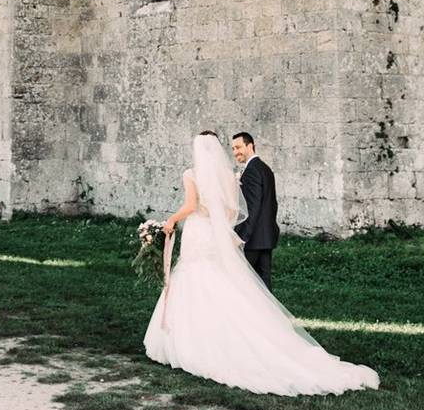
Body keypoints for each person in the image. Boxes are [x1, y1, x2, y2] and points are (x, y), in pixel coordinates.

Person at [143, 133, 379, 396]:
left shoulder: (192, 174)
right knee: (222, 284)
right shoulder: (228, 177)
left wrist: (172, 220)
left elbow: (190, 205)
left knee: (195, 279)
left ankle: (198, 344)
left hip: (199, 233)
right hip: (215, 236)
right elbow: (233, 212)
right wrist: (221, 227)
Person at [232, 132, 277, 290]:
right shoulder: (264, 168)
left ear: (249, 145)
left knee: (244, 282)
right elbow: (272, 204)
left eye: (238, 147)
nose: (235, 152)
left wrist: (242, 236)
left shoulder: (252, 170)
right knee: (264, 283)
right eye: (233, 149)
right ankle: (269, 314)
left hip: (253, 238)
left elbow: (253, 207)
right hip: (266, 236)